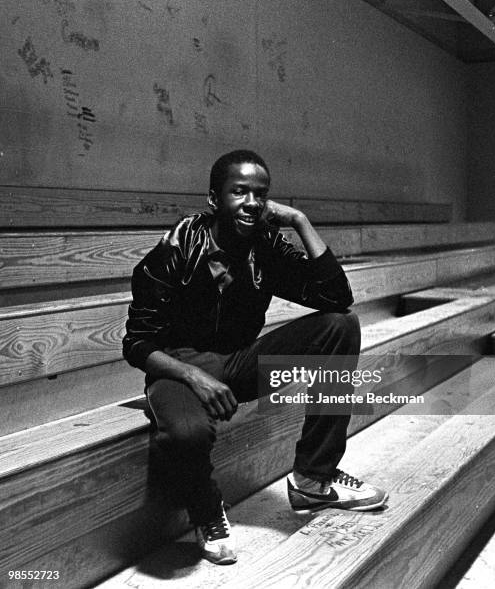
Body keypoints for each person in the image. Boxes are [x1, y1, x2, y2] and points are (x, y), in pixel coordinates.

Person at [122, 150, 387, 565]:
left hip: (241, 363)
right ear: (214, 199)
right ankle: (208, 513)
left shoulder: (264, 245)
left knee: (339, 325)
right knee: (188, 433)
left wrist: (300, 222)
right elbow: (136, 344)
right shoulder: (175, 248)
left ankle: (313, 480)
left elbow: (336, 298)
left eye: (260, 195)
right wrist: (193, 375)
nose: (251, 202)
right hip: (179, 367)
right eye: (238, 192)